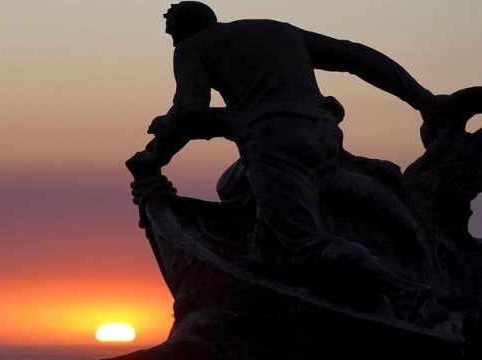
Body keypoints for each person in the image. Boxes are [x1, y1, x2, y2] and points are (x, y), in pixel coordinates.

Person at [129, 1, 449, 312]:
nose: (171, 38)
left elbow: (190, 109)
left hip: (274, 142)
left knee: (307, 246)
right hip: (322, 133)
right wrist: (422, 99)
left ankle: (411, 297)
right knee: (235, 184)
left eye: (171, 32)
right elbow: (354, 56)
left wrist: (156, 156)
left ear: (181, 30)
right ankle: (396, 219)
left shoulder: (191, 47)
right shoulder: (276, 31)